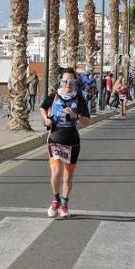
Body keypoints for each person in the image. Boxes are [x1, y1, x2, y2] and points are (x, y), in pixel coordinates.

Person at [40, 68, 91, 219]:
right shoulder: (54, 97)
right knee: (56, 172)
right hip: (55, 139)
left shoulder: (80, 100)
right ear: (61, 82)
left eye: (71, 81)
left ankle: (64, 203)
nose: (68, 84)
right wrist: (46, 119)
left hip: (72, 141)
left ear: (75, 83)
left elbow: (87, 121)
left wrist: (75, 115)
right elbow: (42, 107)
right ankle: (55, 199)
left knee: (68, 177)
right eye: (65, 81)